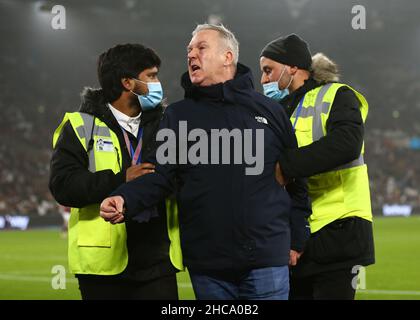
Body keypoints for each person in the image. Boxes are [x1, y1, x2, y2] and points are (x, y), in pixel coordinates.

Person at [100, 24, 311, 300]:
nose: (191, 55)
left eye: (201, 47)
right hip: (209, 266)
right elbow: (159, 175)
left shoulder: (270, 111)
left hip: (265, 259)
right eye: (189, 50)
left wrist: (297, 239)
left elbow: (296, 179)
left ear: (227, 57)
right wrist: (124, 199)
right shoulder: (178, 116)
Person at [49, 44, 182, 300]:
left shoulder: (167, 124)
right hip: (103, 266)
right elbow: (63, 186)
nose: (158, 83)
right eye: (151, 76)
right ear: (127, 83)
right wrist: (122, 178)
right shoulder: (81, 126)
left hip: (157, 261)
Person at [260, 34, 375, 300]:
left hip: (339, 229)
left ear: (292, 67)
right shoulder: (278, 110)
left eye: (268, 70)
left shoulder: (337, 95)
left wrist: (284, 166)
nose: (263, 80)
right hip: (298, 234)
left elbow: (347, 143)